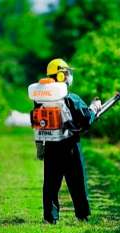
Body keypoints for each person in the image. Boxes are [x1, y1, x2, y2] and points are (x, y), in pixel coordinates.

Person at [30, 58, 102, 224]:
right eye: (67, 73)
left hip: (50, 148)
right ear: (61, 76)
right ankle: (82, 215)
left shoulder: (40, 100)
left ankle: (50, 217)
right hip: (70, 147)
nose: (69, 76)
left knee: (50, 184)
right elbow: (86, 119)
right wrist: (94, 106)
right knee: (76, 182)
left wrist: (39, 147)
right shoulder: (71, 98)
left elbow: (38, 124)